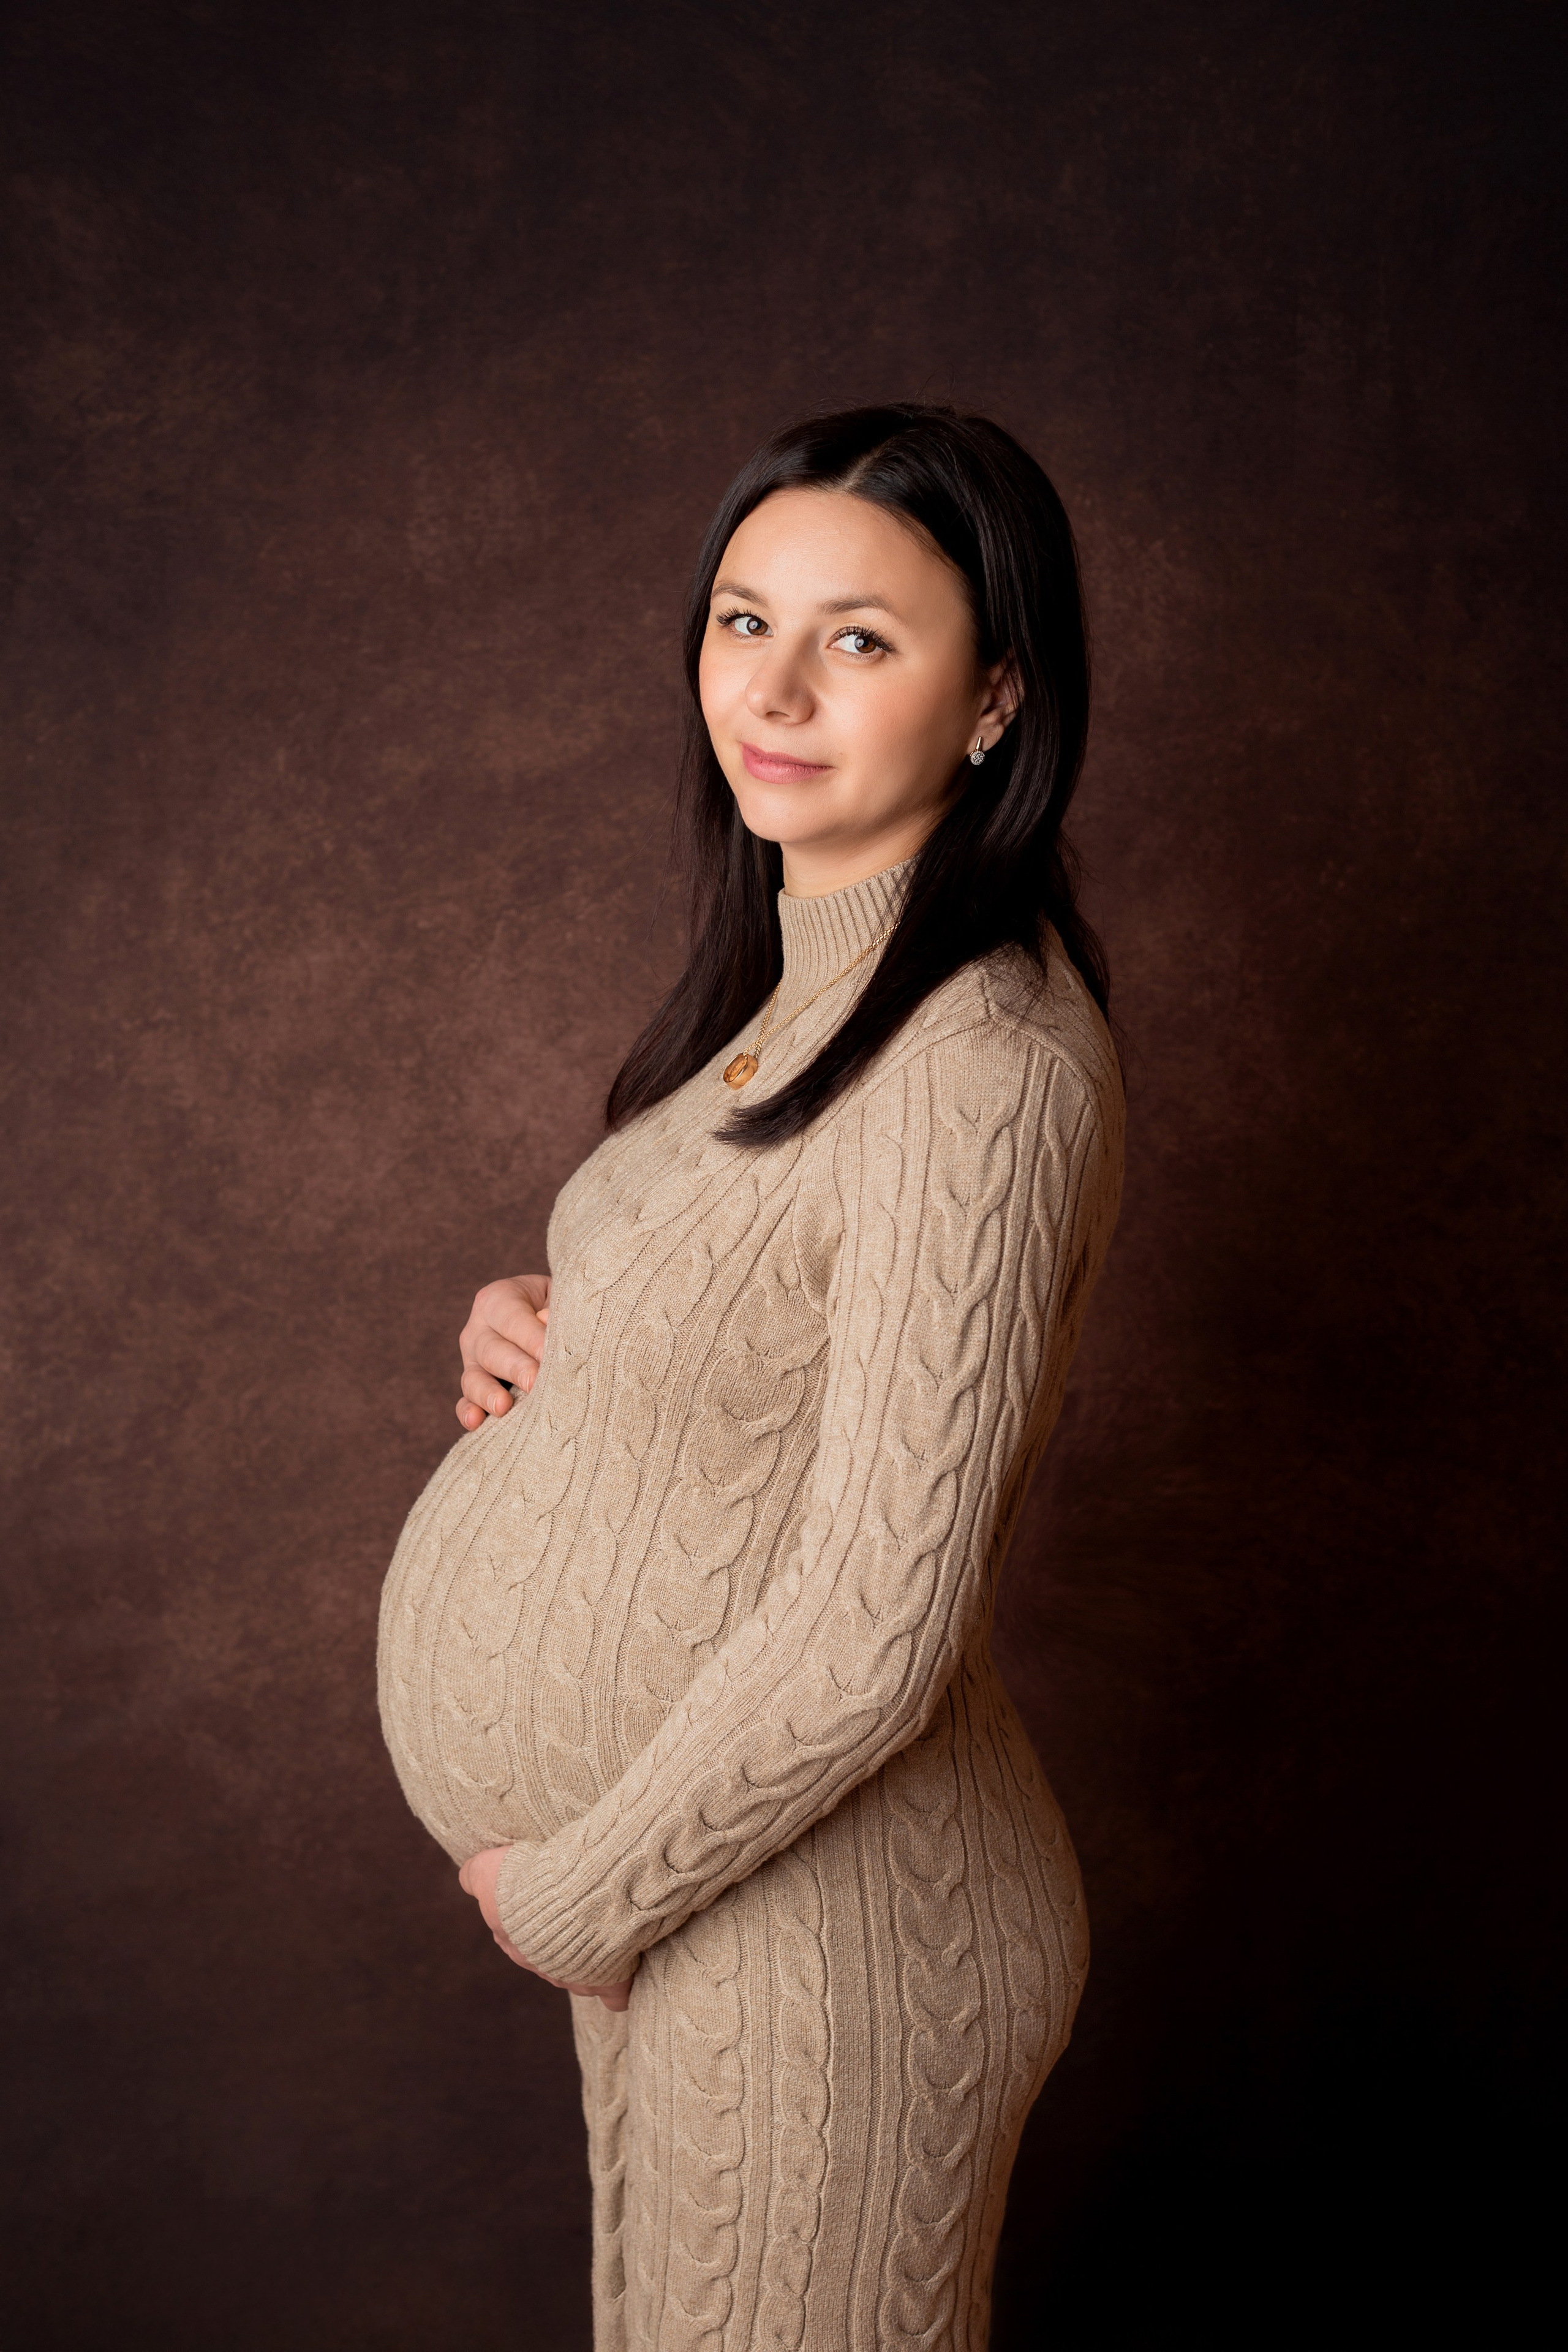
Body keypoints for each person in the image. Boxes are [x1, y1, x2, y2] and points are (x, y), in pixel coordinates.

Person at [377, 403, 1124, 2351]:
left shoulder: (986, 1059)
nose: (771, 689)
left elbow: (883, 1618)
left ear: (995, 701)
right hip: (703, 1914)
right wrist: (560, 1338)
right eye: (740, 618)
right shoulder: (794, 999)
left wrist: (585, 1897)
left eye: (860, 638)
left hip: (824, 1929)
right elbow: (767, 1345)